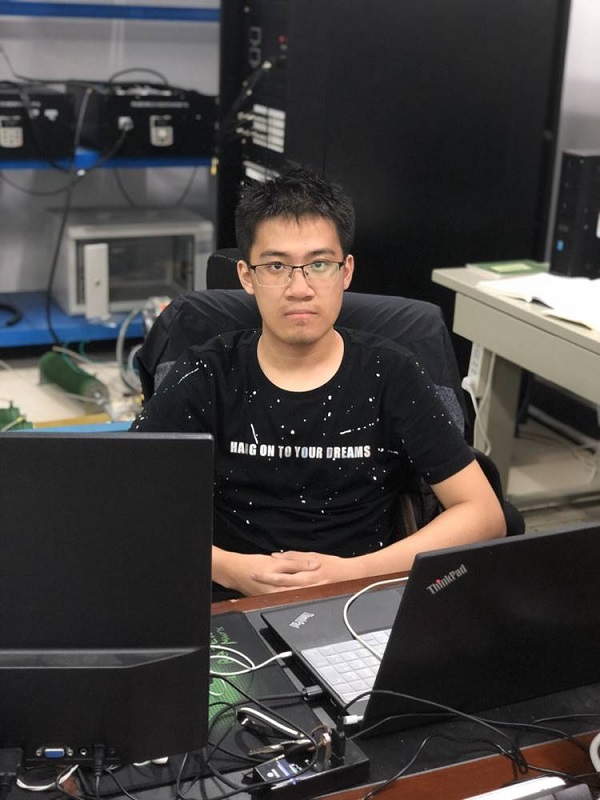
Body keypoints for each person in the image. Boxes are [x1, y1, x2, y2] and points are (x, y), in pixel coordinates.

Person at [131, 165, 506, 596]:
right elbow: (123, 497)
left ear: (346, 272)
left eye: (319, 264)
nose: (299, 288)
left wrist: (353, 573)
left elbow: (484, 513)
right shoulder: (207, 373)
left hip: (360, 596)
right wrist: (227, 568)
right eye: (276, 266)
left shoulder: (391, 373)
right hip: (228, 599)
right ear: (247, 276)